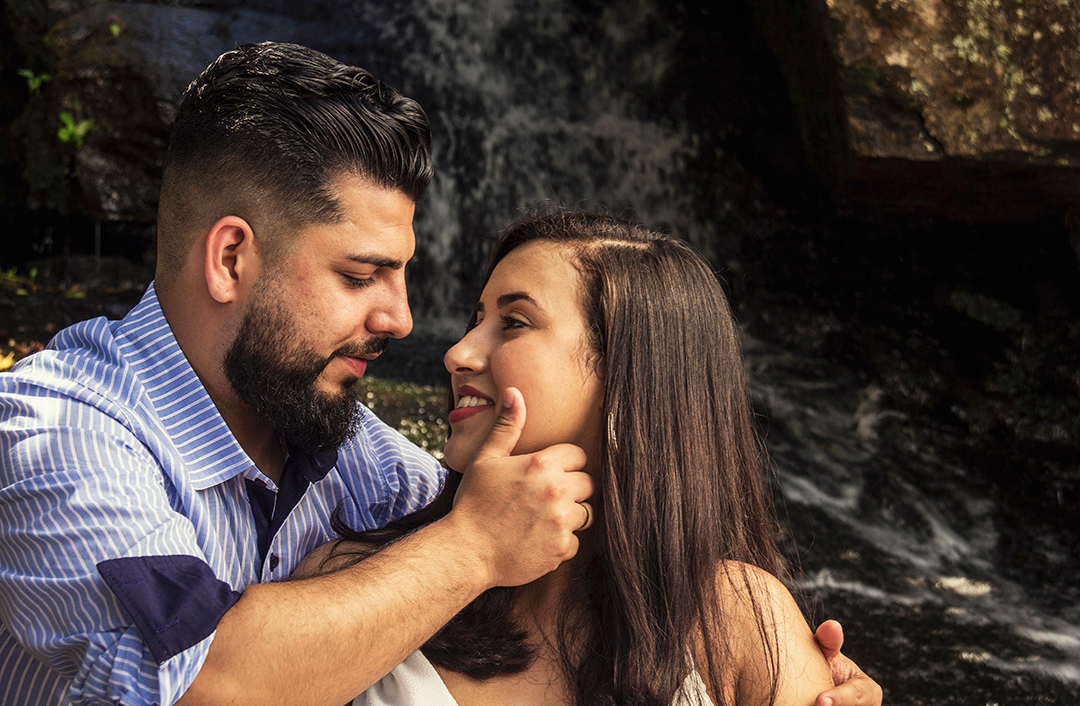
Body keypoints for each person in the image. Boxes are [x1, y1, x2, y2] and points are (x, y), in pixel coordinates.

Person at [0, 42, 878, 705]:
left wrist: (804, 672)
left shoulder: (352, 456)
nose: (411, 326)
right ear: (231, 258)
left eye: (406, 275)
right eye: (359, 274)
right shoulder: (59, 434)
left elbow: (512, 517)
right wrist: (472, 546)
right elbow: (202, 685)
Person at [301, 208, 884, 706]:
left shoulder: (742, 625)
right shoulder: (349, 581)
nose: (457, 353)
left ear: (632, 380)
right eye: (475, 319)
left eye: (514, 322)